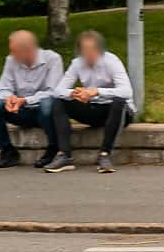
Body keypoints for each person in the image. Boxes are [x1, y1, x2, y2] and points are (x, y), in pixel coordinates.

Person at [44, 30, 135, 174]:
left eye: (92, 49)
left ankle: (105, 155)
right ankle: (64, 155)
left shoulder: (112, 61)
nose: (88, 53)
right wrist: (75, 93)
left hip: (117, 111)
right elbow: (58, 90)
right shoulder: (77, 64)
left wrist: (97, 91)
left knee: (119, 101)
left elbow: (126, 92)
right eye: (85, 50)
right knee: (58, 102)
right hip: (93, 108)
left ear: (100, 49)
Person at [0, 29, 65, 169]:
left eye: (14, 51)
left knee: (47, 104)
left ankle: (53, 148)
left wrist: (25, 100)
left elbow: (54, 92)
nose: (12, 55)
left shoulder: (52, 59)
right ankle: (7, 151)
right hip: (20, 110)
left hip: (45, 113)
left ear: (27, 50)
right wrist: (10, 99)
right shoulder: (11, 61)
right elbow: (2, 89)